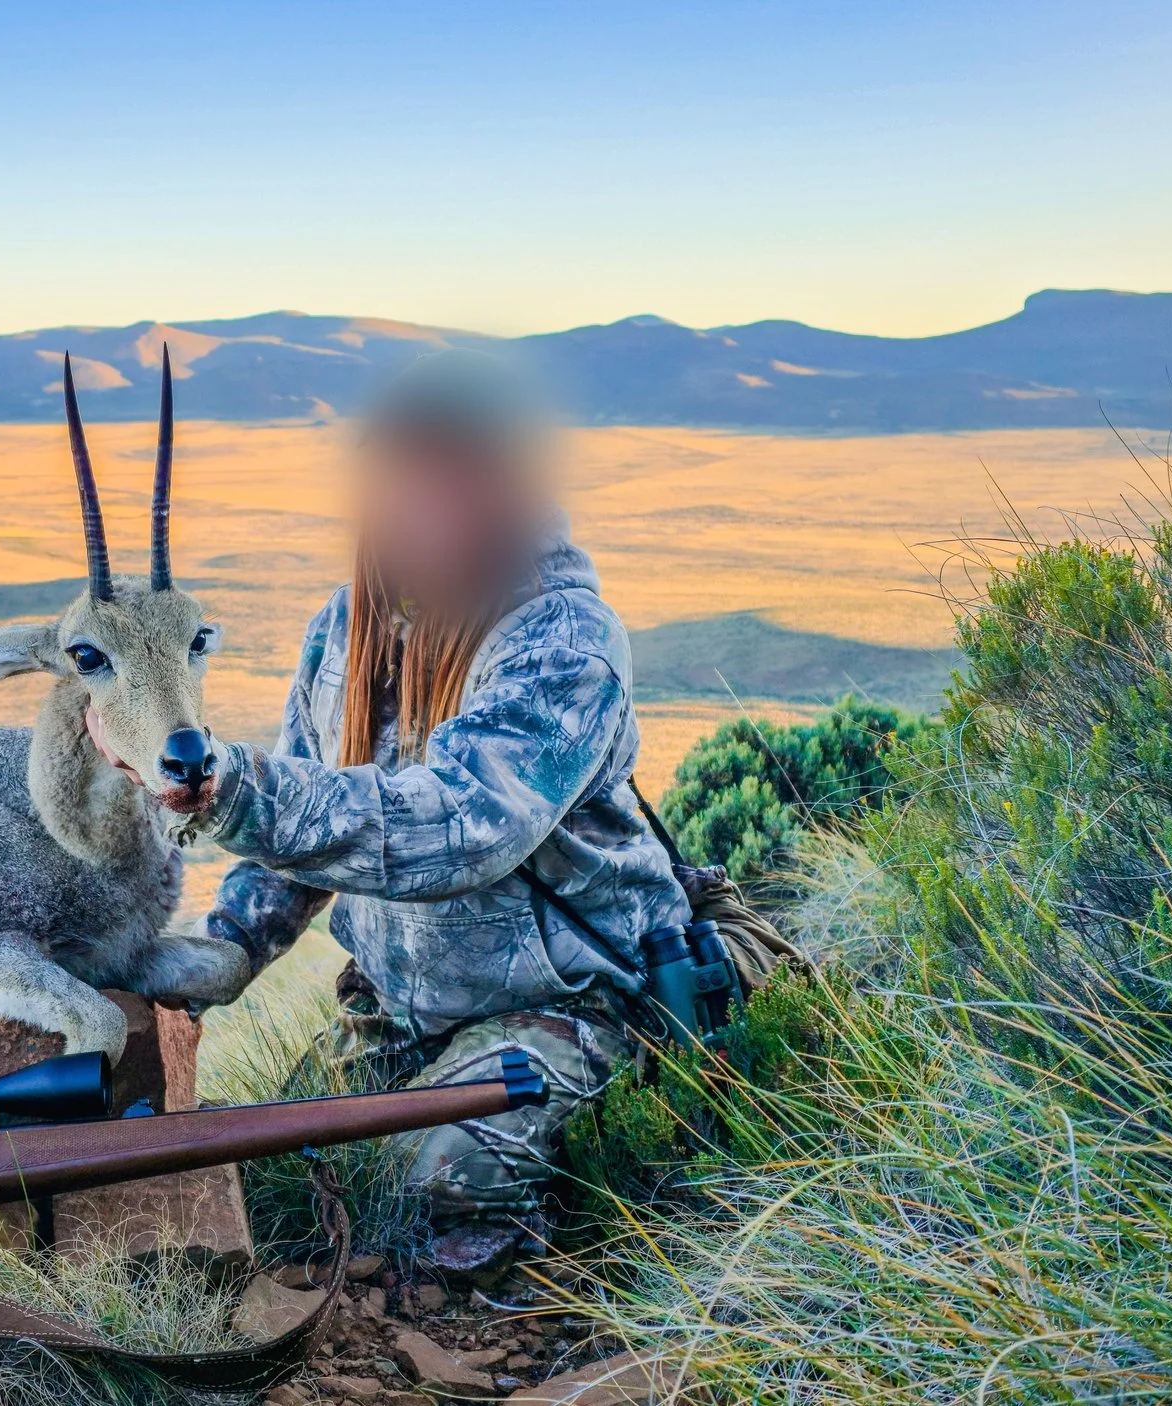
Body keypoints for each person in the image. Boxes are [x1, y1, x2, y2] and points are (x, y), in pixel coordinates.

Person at [186, 349, 790, 1275]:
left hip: (584, 998)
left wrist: (232, 790)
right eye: (405, 474)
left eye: (454, 473)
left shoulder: (563, 639)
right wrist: (214, 959)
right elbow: (296, 848)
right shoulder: (340, 632)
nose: (424, 501)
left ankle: (568, 1255)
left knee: (433, 1172)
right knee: (281, 1162)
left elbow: (462, 824)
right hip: (404, 1006)